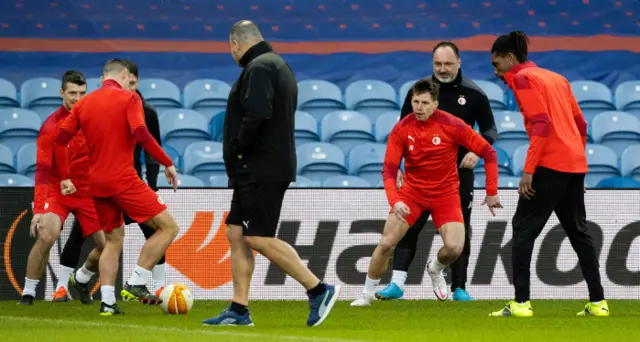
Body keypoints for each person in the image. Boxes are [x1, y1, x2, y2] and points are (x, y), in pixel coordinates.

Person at [202, 20, 340, 327]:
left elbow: (258, 114)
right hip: (257, 167)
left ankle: (318, 289)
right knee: (236, 232)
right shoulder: (276, 64)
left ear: (236, 45)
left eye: (231, 48)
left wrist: (238, 147)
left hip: (259, 167)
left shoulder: (260, 67)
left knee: (256, 237)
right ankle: (239, 309)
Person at [350, 78, 502, 307]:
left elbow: (489, 153)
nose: (419, 108)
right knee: (385, 245)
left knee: (454, 248)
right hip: (413, 193)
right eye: (415, 102)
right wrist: (395, 200)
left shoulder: (454, 124)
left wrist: (491, 191)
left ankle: (435, 268)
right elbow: (389, 169)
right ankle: (366, 296)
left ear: (435, 104)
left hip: (446, 194)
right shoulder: (402, 128)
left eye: (424, 103)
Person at [488, 31, 608, 317]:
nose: (495, 70)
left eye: (496, 63)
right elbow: (581, 123)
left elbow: (541, 124)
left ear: (510, 58)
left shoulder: (522, 79)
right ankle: (598, 303)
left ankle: (521, 303)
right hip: (572, 165)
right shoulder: (557, 78)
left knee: (522, 229)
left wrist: (529, 170)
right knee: (579, 233)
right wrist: (577, 161)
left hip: (549, 165)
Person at [53, 59, 179, 316]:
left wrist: (65, 176)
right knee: (168, 227)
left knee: (113, 240)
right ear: (123, 75)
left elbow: (59, 140)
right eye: (128, 79)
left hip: (95, 183)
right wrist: (167, 162)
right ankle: (137, 281)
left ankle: (107, 301)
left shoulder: (84, 103)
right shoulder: (129, 99)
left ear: (103, 77)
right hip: (123, 179)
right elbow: (142, 134)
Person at [376, 41, 497, 302]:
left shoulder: (474, 93)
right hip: (418, 176)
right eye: (437, 64)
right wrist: (396, 166)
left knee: (460, 233)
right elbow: (402, 128)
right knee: (409, 226)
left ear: (459, 63)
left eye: (448, 64)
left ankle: (459, 287)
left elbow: (489, 130)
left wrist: (476, 152)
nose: (442, 69)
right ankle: (397, 284)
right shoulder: (418, 92)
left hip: (457, 175)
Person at [19, 70, 106, 306]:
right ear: (61, 93)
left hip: (87, 191)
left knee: (106, 247)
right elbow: (43, 170)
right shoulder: (50, 127)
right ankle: (28, 292)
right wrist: (39, 207)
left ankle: (82, 277)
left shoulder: (94, 120)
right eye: (72, 93)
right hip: (58, 190)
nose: (77, 98)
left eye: (82, 93)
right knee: (48, 235)